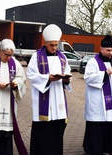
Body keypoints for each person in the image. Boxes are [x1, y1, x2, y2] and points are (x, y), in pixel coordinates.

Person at [27, 24, 72, 155]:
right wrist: (47, 79)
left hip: (58, 102)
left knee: (57, 133)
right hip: (44, 102)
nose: (54, 48)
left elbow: (68, 72)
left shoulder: (62, 57)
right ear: (45, 43)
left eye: (56, 45)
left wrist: (66, 79)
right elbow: (31, 75)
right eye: (51, 45)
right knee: (43, 134)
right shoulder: (36, 57)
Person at [83, 35, 112, 155]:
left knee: (110, 128)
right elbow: (88, 78)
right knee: (96, 129)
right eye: (108, 50)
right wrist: (105, 73)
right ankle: (95, 150)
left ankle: (108, 149)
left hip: (111, 105)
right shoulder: (93, 62)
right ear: (100, 49)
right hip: (98, 103)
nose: (110, 53)